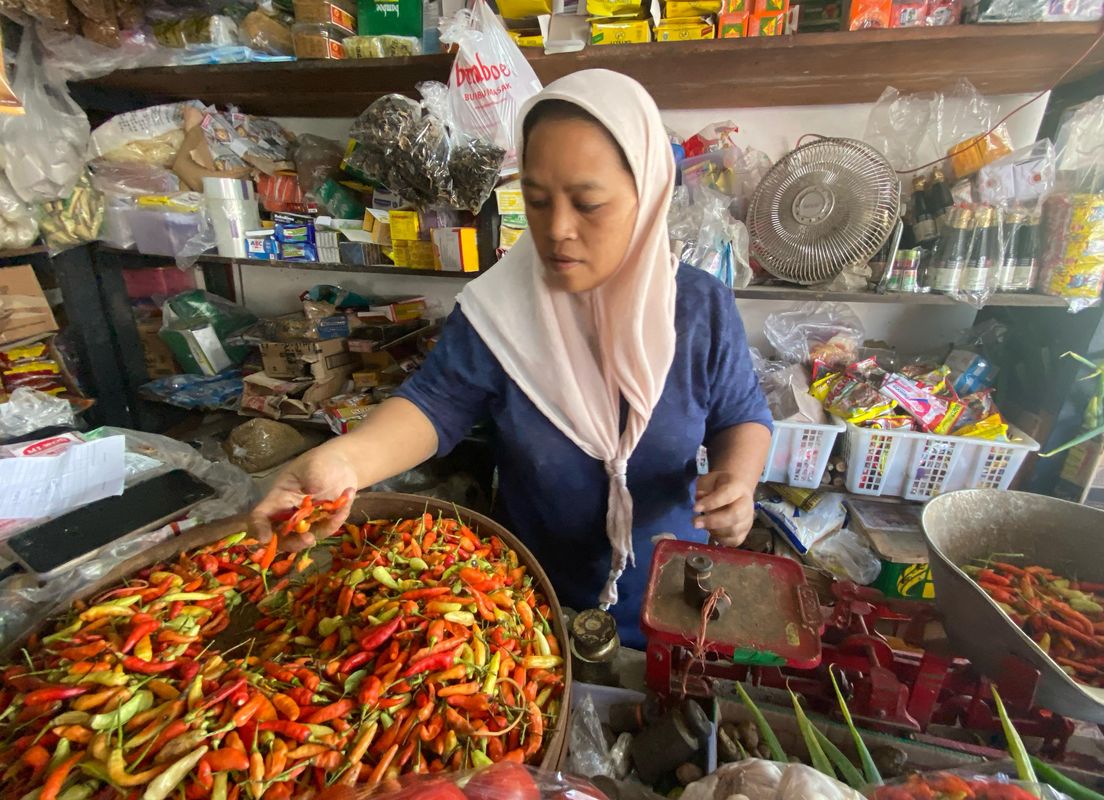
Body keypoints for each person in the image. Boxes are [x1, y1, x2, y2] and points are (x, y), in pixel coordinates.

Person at [251, 69, 772, 647]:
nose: (557, 231)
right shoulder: (501, 310)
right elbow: (432, 407)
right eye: (538, 201)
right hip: (526, 598)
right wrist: (344, 464)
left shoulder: (698, 309)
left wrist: (739, 484)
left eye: (588, 204)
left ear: (647, 195)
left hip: (670, 593)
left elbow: (741, 415)